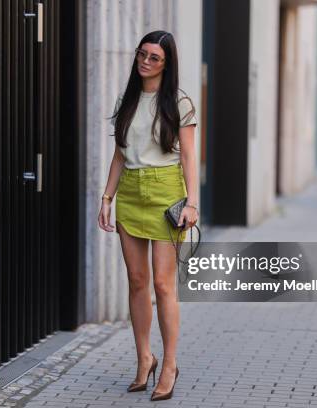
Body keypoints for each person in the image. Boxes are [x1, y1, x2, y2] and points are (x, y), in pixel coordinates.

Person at [97, 30, 199, 401]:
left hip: (167, 193)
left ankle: (169, 363)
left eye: (154, 57)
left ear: (166, 63)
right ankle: (144, 359)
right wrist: (107, 197)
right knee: (137, 281)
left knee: (163, 284)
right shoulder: (128, 100)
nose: (145, 62)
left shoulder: (179, 103)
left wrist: (192, 203)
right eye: (142, 54)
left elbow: (188, 157)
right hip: (131, 194)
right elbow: (121, 155)